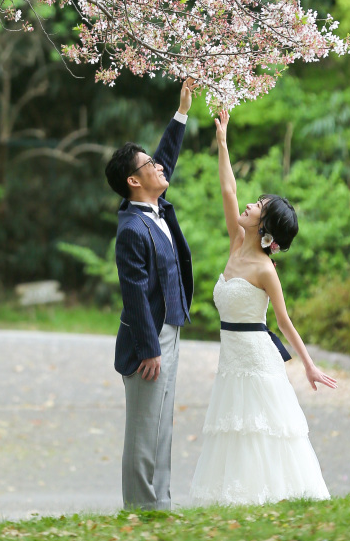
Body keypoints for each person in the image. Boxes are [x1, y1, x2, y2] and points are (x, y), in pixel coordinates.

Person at [190, 108, 335, 506]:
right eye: (254, 202)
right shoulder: (237, 241)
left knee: (264, 428)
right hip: (231, 358)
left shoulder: (266, 270)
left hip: (257, 358)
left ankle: (275, 498)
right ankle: (236, 500)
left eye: (258, 206)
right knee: (234, 429)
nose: (249, 206)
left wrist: (308, 365)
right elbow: (228, 191)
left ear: (265, 226)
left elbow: (284, 323)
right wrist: (222, 143)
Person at [105, 78, 196, 511]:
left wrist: (181, 112)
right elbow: (135, 295)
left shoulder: (153, 205)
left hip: (172, 331)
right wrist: (149, 348)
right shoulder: (131, 230)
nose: (159, 167)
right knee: (143, 430)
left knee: (162, 427)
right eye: (149, 165)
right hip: (149, 342)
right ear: (132, 180)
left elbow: (166, 159)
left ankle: (161, 505)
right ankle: (139, 510)